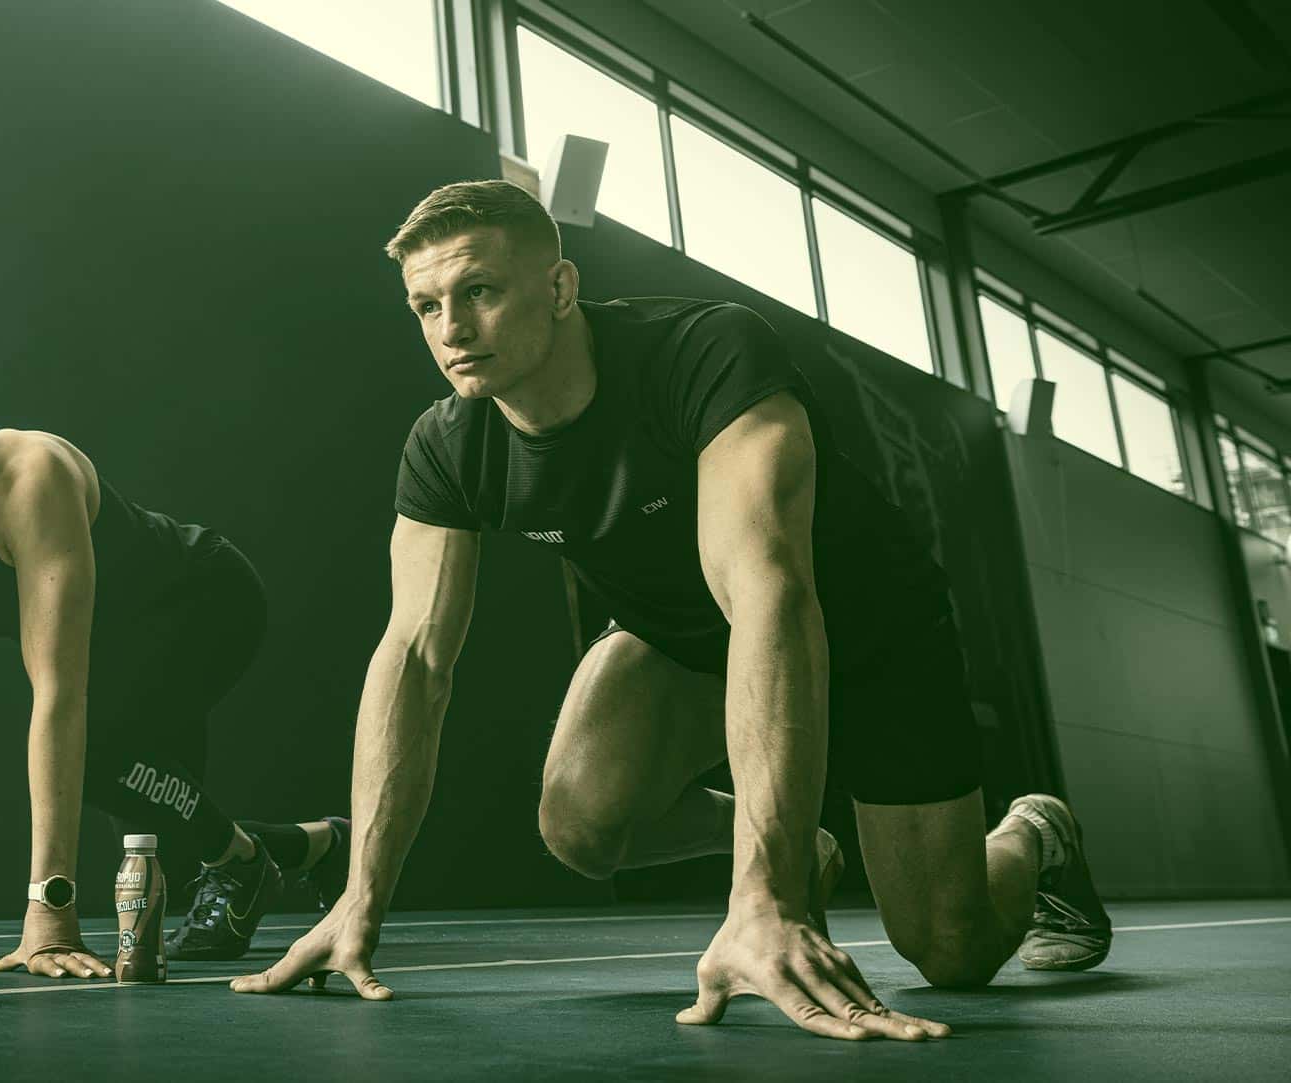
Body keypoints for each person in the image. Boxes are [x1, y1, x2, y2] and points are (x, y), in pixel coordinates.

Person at [233, 181, 1111, 1040]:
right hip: (683, 641)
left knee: (950, 949)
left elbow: (770, 592)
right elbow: (414, 660)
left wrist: (762, 897)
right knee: (579, 821)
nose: (452, 329)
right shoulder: (450, 445)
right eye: (425, 306)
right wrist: (359, 897)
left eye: (481, 292)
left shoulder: (704, 354)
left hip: (870, 634)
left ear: (561, 287)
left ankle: (1034, 835)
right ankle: (803, 842)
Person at [0, 345, 348, 974]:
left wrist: (50, 910)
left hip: (200, 608)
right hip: (115, 649)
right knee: (156, 833)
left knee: (103, 771)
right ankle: (307, 847)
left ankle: (242, 863)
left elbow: (59, 695)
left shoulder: (23, 475)